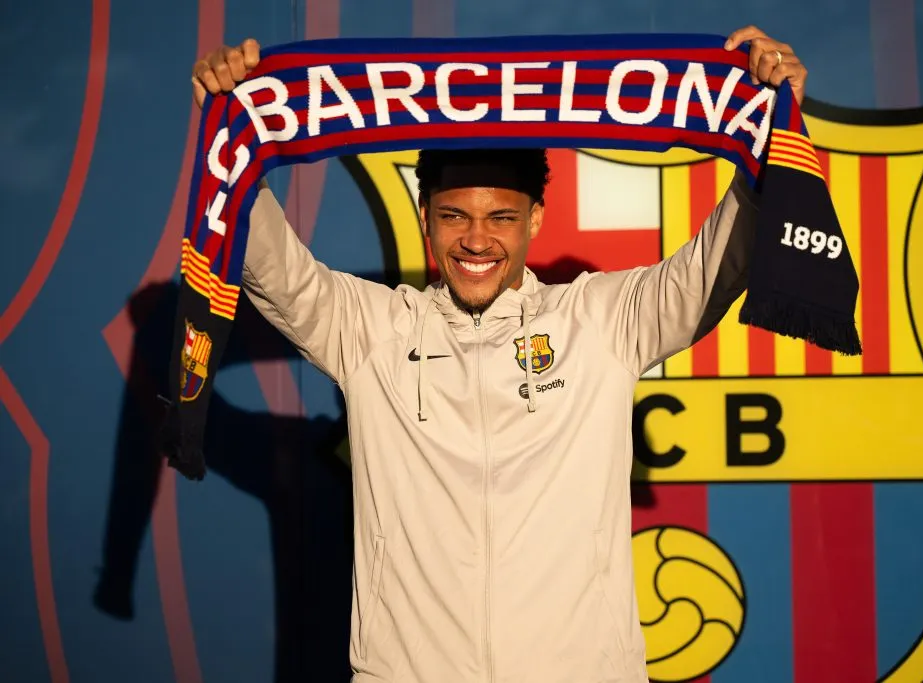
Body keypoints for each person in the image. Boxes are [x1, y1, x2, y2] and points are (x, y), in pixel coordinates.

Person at [191, 25, 808, 683]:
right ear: (424, 215)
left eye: (501, 217)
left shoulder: (600, 320)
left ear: (536, 217)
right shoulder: (370, 330)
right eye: (454, 215)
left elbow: (714, 267)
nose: (476, 240)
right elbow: (273, 270)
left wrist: (773, 134)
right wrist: (232, 133)